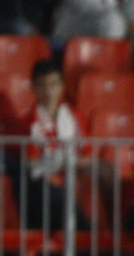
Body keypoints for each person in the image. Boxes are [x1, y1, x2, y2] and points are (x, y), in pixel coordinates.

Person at [16, 58, 87, 232]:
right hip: (44, 190)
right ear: (33, 87)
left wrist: (62, 162)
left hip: (73, 178)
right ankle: (87, 231)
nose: (48, 91)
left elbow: (86, 154)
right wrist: (68, 162)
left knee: (106, 171)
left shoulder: (74, 117)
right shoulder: (28, 124)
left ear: (62, 85)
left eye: (53, 84)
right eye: (42, 85)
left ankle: (111, 232)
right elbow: (34, 166)